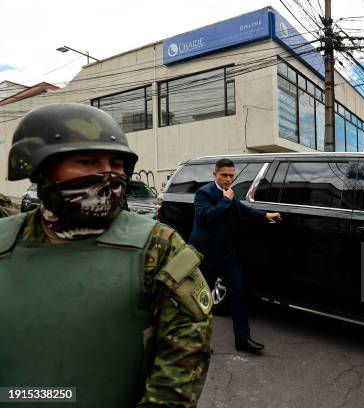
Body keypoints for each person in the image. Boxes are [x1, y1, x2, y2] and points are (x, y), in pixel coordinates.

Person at [0, 103, 212, 408]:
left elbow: (186, 352)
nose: (108, 175)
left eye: (116, 164)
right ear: (39, 170)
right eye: (86, 161)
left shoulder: (158, 245)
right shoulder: (5, 240)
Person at [189, 158, 281, 353]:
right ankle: (195, 341)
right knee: (201, 299)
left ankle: (243, 339)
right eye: (224, 175)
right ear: (215, 175)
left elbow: (242, 209)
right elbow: (206, 217)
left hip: (228, 254)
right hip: (208, 255)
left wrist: (264, 215)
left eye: (231, 175)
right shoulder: (204, 193)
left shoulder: (229, 194)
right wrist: (226, 200)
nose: (229, 179)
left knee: (238, 294)